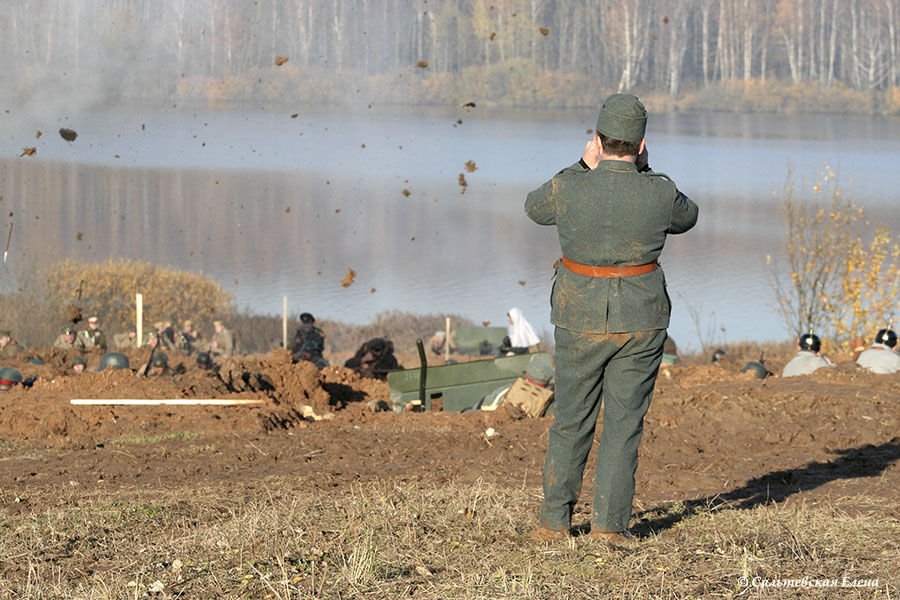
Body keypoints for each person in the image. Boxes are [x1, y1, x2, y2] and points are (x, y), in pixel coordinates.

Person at [525, 93, 698, 543]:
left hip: (577, 314)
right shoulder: (659, 189)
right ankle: (609, 527)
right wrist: (642, 171)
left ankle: (554, 523)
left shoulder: (571, 184)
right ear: (641, 145)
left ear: (597, 141)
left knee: (570, 421)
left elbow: (534, 208)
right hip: (641, 319)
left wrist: (583, 167)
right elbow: (688, 217)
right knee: (623, 426)